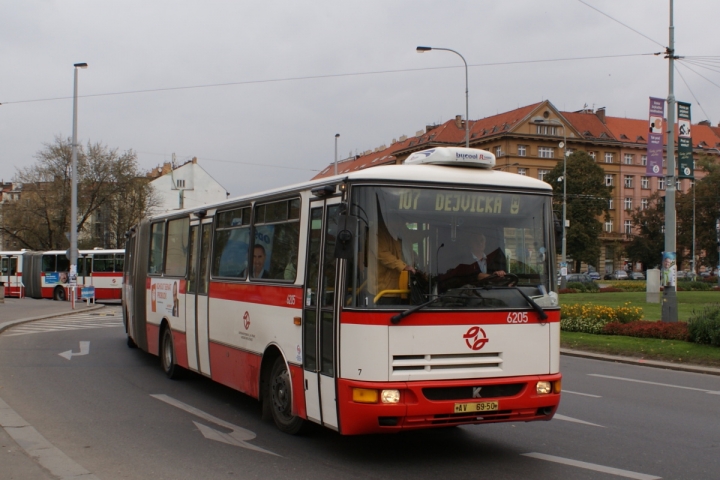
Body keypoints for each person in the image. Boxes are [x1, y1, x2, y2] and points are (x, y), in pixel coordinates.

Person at [371, 217, 415, 303]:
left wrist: (429, 233)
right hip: (384, 291)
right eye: (400, 219)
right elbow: (382, 254)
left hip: (402, 288)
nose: (403, 223)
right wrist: (404, 266)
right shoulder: (377, 231)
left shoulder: (400, 230)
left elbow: (411, 239)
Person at [439, 234, 508, 290]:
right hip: (469, 298)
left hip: (491, 296)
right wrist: (494, 277)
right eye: (476, 241)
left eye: (482, 240)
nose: (480, 243)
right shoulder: (464, 260)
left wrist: (500, 274)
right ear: (470, 243)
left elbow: (503, 278)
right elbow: (473, 276)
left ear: (485, 242)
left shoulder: (493, 259)